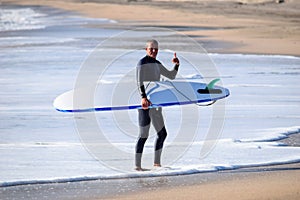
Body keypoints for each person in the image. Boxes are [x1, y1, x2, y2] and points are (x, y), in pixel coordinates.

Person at [135, 39, 180, 171]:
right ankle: (137, 166)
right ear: (146, 49)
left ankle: (157, 164)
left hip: (156, 104)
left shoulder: (157, 64)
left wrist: (176, 66)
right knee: (143, 135)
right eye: (151, 48)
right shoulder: (142, 63)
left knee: (162, 134)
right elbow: (139, 81)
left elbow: (171, 76)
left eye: (156, 49)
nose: (154, 51)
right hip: (145, 104)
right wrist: (143, 97)